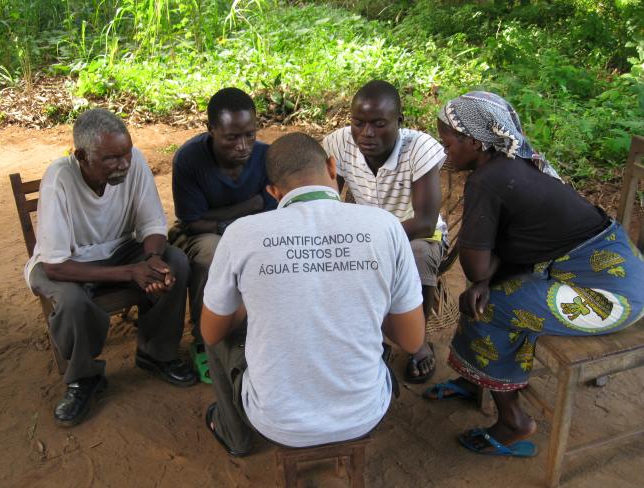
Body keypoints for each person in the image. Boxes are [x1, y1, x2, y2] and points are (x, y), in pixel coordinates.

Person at [425, 91, 644, 457]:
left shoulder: (487, 180)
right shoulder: (514, 160)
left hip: (613, 296)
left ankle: (514, 421)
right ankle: (478, 378)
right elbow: (512, 252)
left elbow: (476, 267)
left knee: (488, 303)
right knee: (485, 290)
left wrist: (484, 279)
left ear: (475, 141)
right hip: (611, 267)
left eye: (446, 139)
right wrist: (485, 276)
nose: (442, 147)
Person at [200, 132, 426, 455]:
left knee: (217, 328)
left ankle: (233, 433)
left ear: (274, 191)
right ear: (332, 167)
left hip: (274, 421)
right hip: (364, 412)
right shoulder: (386, 227)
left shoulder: (241, 234)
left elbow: (210, 331)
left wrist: (256, 300)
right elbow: (413, 340)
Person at [25, 108, 197, 427]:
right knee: (74, 302)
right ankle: (84, 379)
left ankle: (156, 353)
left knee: (176, 262)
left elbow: (152, 224)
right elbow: (55, 265)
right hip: (66, 264)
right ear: (81, 156)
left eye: (126, 154)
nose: (123, 164)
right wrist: (130, 272)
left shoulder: (135, 163)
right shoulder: (59, 179)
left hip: (120, 249)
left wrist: (151, 259)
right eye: (110, 159)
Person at [322, 80, 446, 384]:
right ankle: (363, 336)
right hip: (364, 233)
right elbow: (325, 204)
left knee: (418, 257)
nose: (367, 133)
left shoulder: (419, 147)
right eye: (358, 122)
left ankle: (417, 342)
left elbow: (426, 221)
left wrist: (369, 240)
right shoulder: (338, 144)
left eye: (379, 124)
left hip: (415, 234)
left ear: (398, 122)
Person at [169, 87, 276, 381]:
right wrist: (246, 208)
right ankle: (205, 338)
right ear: (211, 131)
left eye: (250, 135)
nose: (243, 146)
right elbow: (192, 222)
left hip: (249, 230)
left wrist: (220, 217)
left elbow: (269, 210)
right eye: (232, 137)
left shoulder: (266, 157)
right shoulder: (189, 160)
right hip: (200, 236)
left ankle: (259, 328)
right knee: (215, 254)